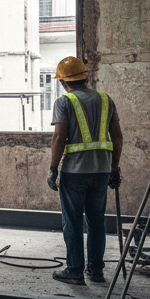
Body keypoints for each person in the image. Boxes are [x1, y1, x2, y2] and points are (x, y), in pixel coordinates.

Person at [47, 56, 123, 285]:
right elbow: (117, 137)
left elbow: (59, 137)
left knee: (72, 221)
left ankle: (74, 271)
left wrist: (53, 169)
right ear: (86, 77)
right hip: (101, 170)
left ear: (62, 82)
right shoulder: (106, 100)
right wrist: (115, 167)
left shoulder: (64, 102)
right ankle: (96, 271)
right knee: (96, 221)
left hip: (75, 172)